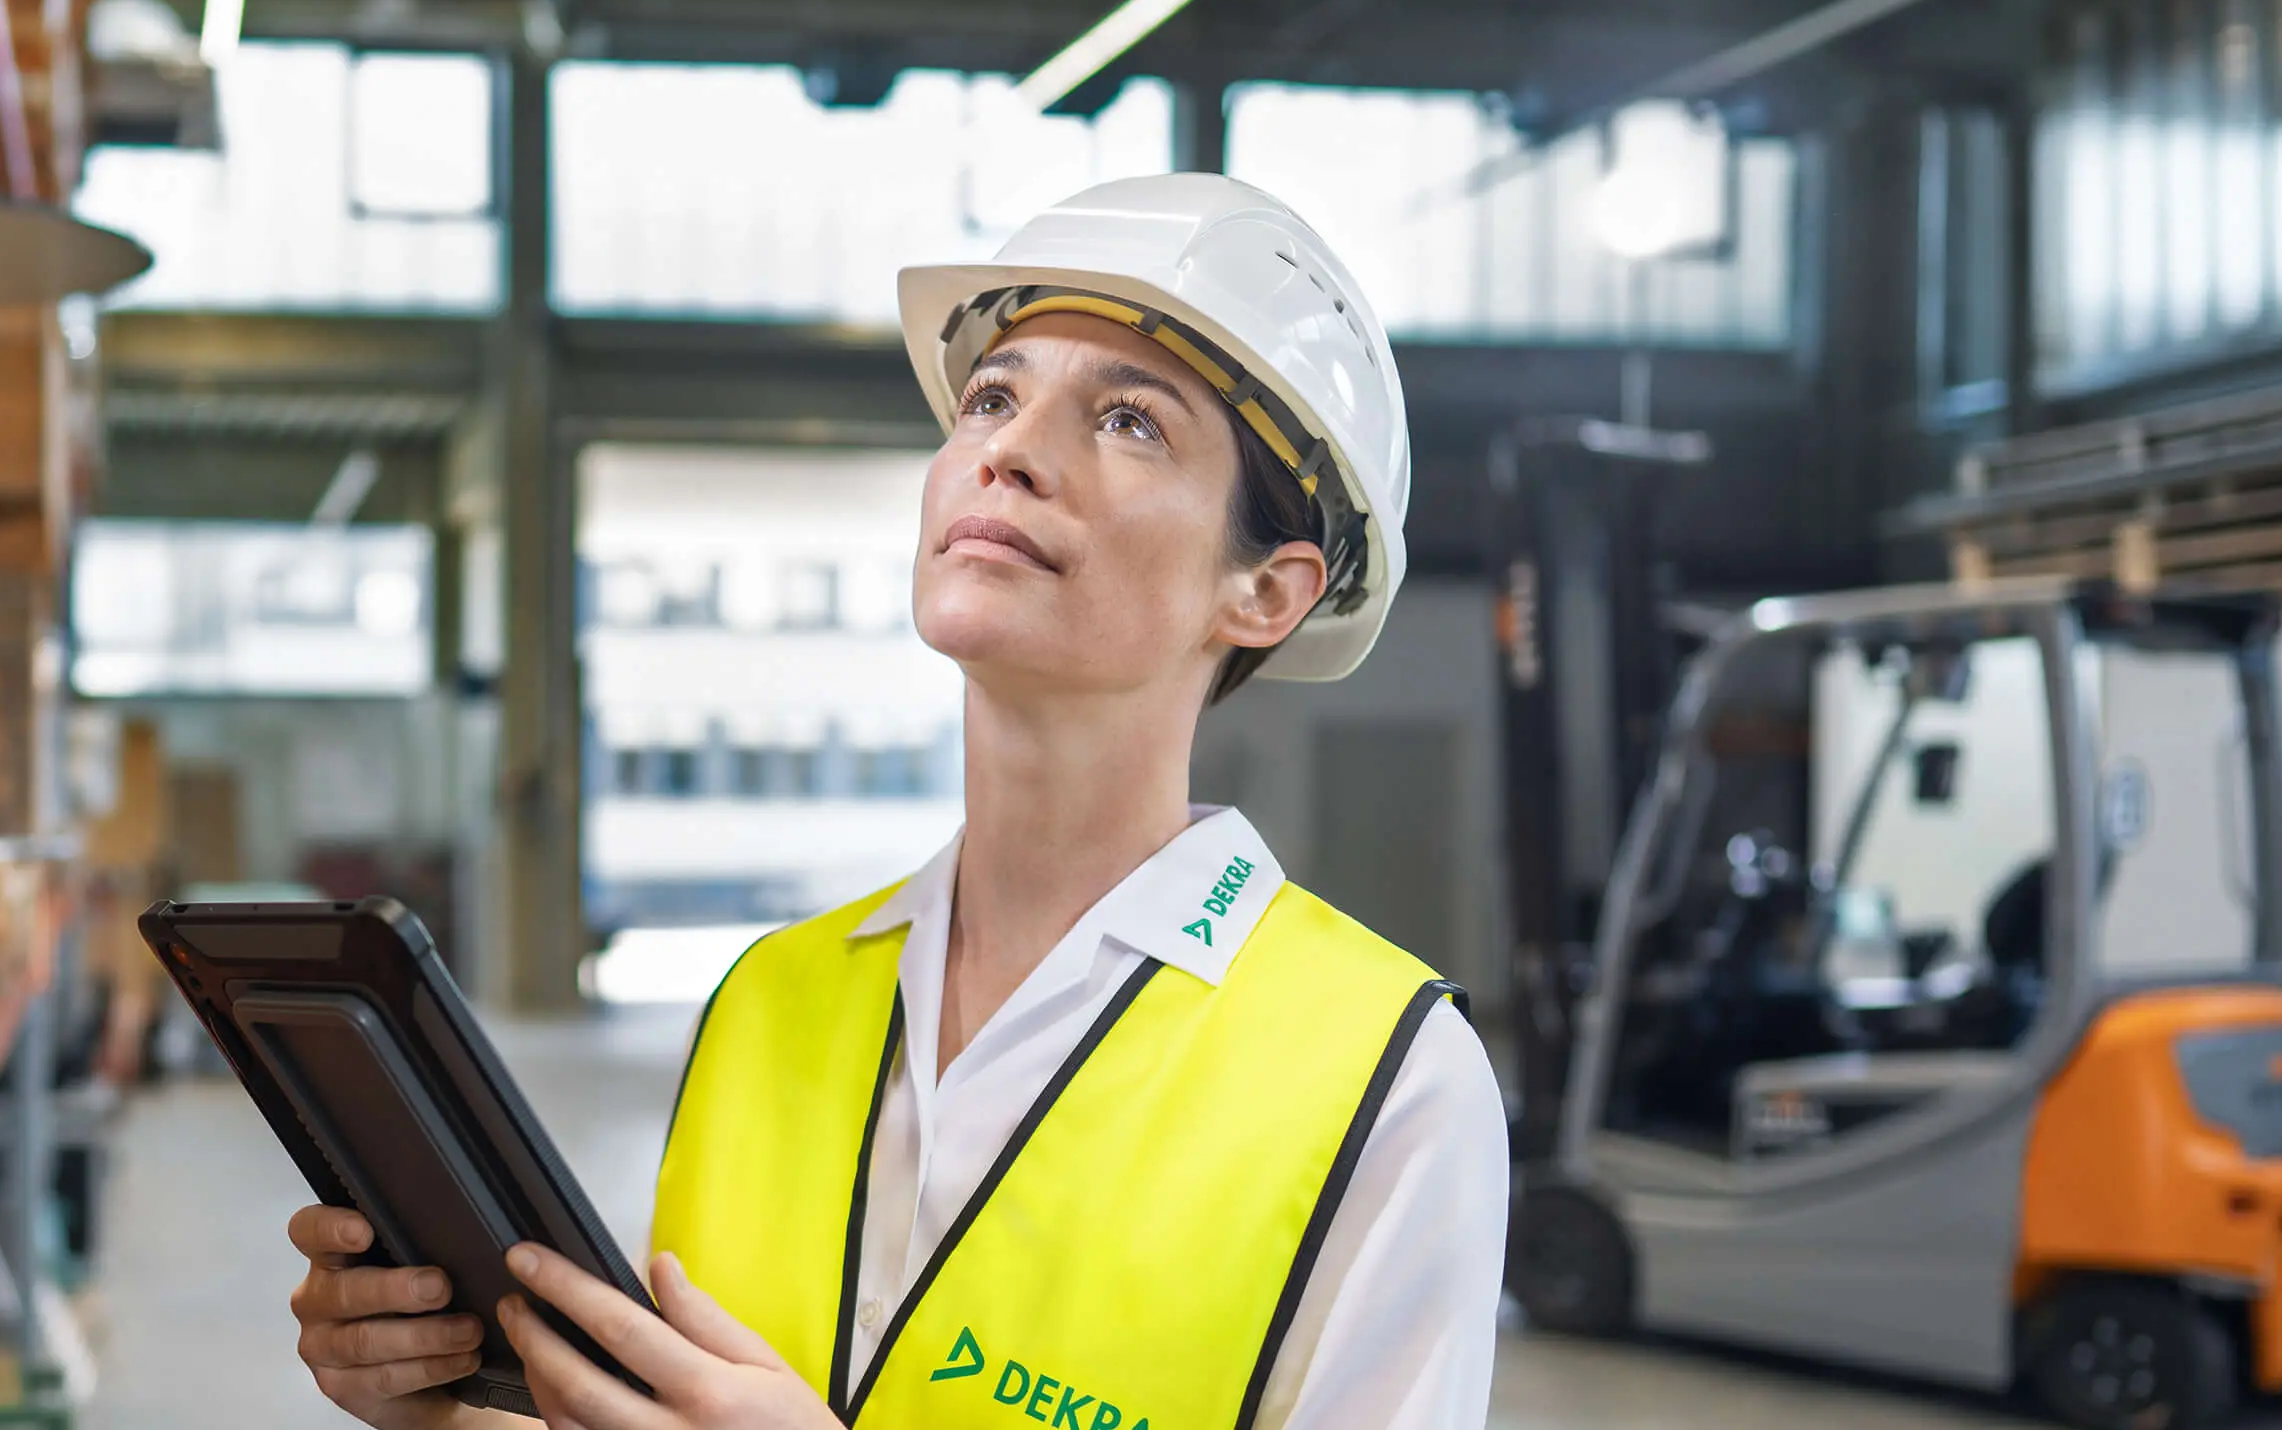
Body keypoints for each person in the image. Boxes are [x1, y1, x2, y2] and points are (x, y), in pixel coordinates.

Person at [280, 176, 1509, 1429]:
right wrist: (440, 1400)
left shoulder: (1390, 1082)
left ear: (1266, 592)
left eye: (1131, 421)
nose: (1010, 450)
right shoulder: (771, 1001)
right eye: (992, 395)